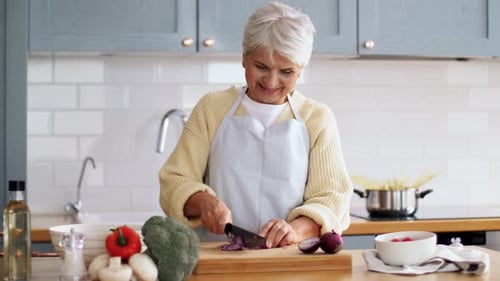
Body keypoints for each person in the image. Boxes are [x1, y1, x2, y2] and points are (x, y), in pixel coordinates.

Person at [159, 1, 352, 248]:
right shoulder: (211, 108)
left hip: (289, 261)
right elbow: (174, 181)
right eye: (261, 67)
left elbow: (332, 198)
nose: (271, 81)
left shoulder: (317, 117)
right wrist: (204, 201)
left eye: (286, 72)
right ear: (244, 57)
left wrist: (294, 230)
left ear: (300, 70)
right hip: (218, 261)